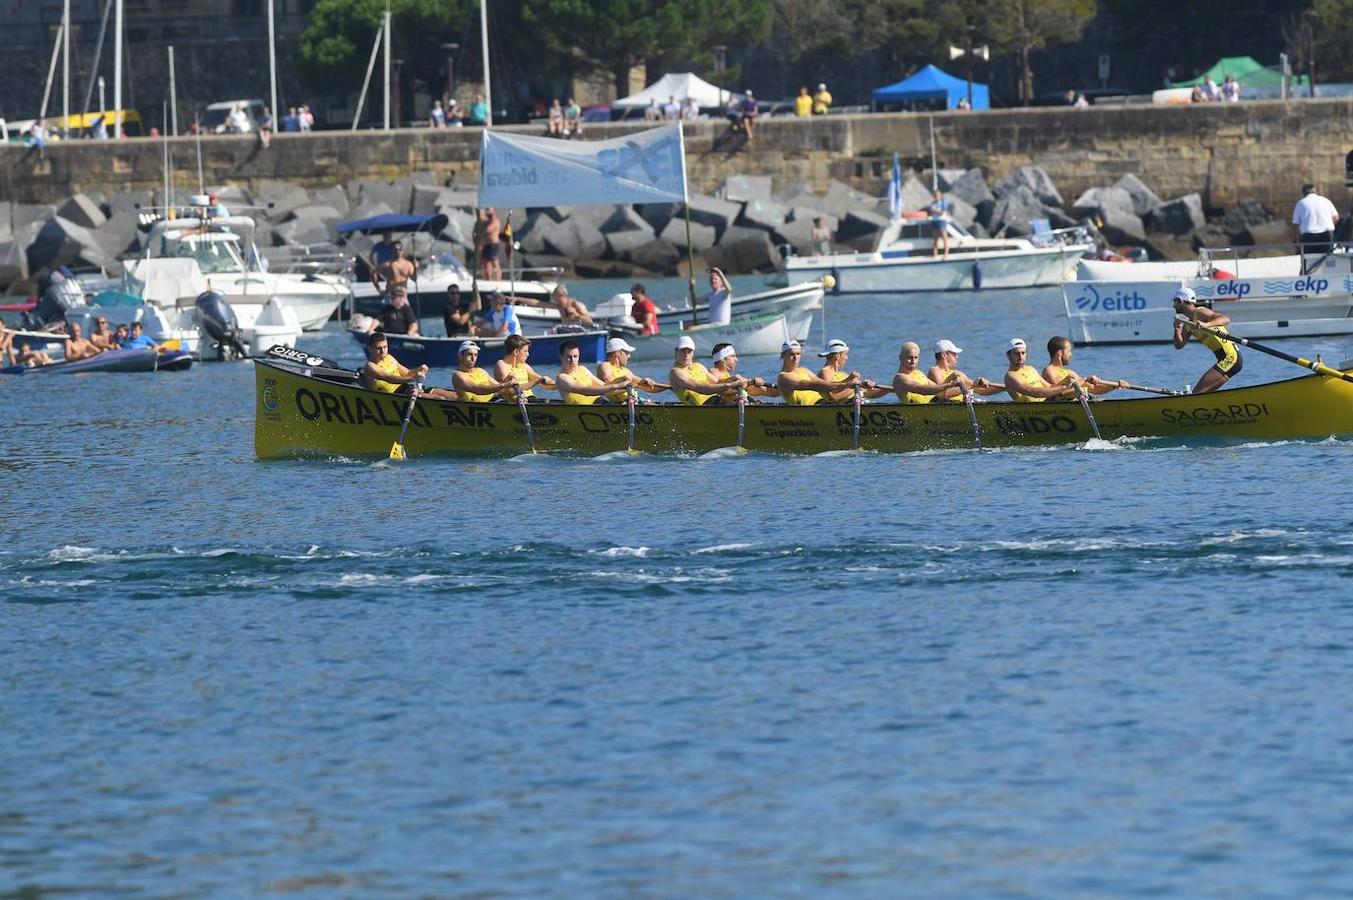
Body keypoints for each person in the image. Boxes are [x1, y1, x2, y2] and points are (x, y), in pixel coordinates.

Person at [1172, 287, 1241, 394]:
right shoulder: (1188, 325)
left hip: (1230, 357)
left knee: (1197, 393)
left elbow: (1225, 319)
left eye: (1174, 302)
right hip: (1224, 359)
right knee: (1202, 394)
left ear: (1180, 301)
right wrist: (1177, 329)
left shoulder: (1200, 312)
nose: (1173, 305)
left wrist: (1206, 324)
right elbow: (1179, 345)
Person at [777, 339, 859, 405]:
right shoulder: (784, 377)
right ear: (782, 355)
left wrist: (850, 382)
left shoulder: (804, 370)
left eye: (798, 354)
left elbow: (823, 383)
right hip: (811, 410)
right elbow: (814, 385)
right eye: (792, 354)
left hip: (825, 404)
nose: (796, 358)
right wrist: (846, 384)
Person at [669, 335, 742, 405]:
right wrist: (728, 385)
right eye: (683, 351)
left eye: (689, 351)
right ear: (676, 351)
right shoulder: (676, 373)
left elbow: (717, 382)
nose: (686, 355)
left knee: (745, 400)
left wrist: (733, 379)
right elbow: (699, 387)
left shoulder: (699, 366)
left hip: (717, 401)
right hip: (703, 406)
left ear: (693, 353)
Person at [1002, 337, 1081, 402]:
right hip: (1036, 409)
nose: (1020, 357)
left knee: (1080, 389)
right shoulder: (1010, 376)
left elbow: (1050, 387)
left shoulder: (1031, 369)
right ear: (1008, 355)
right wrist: (1064, 388)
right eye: (1017, 353)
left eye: (1023, 353)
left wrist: (1066, 381)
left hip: (1048, 403)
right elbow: (1032, 392)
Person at [1042, 336, 1124, 396]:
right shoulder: (1049, 370)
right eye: (1069, 351)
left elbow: (1094, 389)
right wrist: (1085, 380)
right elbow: (1060, 391)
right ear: (1060, 353)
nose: (1071, 355)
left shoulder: (1070, 372)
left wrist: (1115, 385)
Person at [557, 339, 632, 404]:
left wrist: (626, 385)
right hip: (585, 410)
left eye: (575, 356)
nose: (573, 360)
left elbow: (604, 386)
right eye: (569, 357)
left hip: (600, 403)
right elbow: (585, 391)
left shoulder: (583, 369)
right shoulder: (562, 378)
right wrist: (618, 385)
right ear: (561, 357)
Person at [927, 339, 1003, 399]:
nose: (957, 356)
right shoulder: (935, 371)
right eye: (954, 354)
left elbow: (980, 390)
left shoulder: (957, 373)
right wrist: (972, 386)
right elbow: (943, 394)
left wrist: (1006, 387)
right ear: (944, 355)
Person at [817, 339, 888, 402]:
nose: (846, 358)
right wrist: (854, 385)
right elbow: (833, 397)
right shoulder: (825, 372)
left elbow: (867, 393)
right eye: (845, 354)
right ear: (837, 356)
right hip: (841, 410)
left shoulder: (842, 374)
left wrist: (891, 389)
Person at [360, 332, 429, 395]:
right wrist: (413, 379)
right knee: (439, 398)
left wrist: (419, 369)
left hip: (404, 388)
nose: (383, 351)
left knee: (439, 392)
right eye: (379, 348)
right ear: (370, 348)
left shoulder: (389, 358)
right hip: (392, 394)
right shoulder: (370, 366)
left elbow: (408, 373)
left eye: (385, 347)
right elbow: (388, 378)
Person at [598, 337, 664, 402]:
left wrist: (670, 386)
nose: (629, 356)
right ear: (618, 353)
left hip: (633, 402)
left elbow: (648, 388)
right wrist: (637, 384)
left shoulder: (625, 370)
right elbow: (609, 389)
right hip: (617, 404)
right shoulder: (605, 366)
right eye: (627, 352)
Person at [893, 342, 962, 403]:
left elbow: (939, 392)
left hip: (935, 404)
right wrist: (949, 385)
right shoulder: (900, 378)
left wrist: (965, 388)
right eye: (910, 358)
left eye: (916, 358)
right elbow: (923, 390)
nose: (913, 361)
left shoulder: (919, 373)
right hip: (922, 410)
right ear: (901, 357)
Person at [494, 334, 555, 399]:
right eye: (525, 351)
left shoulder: (524, 366)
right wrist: (537, 381)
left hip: (530, 400)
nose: (528, 354)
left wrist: (560, 384)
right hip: (515, 403)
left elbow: (545, 384)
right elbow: (509, 390)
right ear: (516, 351)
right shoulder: (501, 365)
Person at [709, 343, 778, 399]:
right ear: (723, 359)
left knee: (760, 388)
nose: (736, 360)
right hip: (725, 406)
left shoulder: (727, 375)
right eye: (733, 356)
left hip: (738, 402)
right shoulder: (714, 371)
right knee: (741, 380)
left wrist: (752, 383)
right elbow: (718, 389)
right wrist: (749, 382)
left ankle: (782, 390)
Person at [1292, 183, 1340, 256]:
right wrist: (1329, 224)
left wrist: (1296, 241)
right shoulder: (1325, 200)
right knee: (1327, 260)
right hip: (1326, 235)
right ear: (1315, 191)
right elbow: (1336, 217)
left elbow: (1295, 224)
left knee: (1309, 262)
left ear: (1303, 193)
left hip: (1308, 237)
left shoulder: (1300, 203)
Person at [475, 208, 502, 279]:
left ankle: (498, 279)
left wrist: (479, 230)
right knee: (485, 263)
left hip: (492, 245)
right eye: (487, 211)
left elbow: (487, 230)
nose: (488, 212)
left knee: (494, 262)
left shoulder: (495, 221)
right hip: (485, 245)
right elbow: (478, 228)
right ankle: (488, 279)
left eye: (489, 210)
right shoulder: (484, 222)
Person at [927, 189, 951, 259]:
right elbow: (931, 211)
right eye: (935, 195)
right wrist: (936, 211)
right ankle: (935, 254)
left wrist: (936, 211)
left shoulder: (944, 203)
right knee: (935, 239)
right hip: (934, 221)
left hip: (942, 221)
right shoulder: (932, 203)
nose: (936, 196)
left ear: (940, 196)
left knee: (944, 238)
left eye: (937, 195)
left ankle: (946, 253)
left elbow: (942, 212)